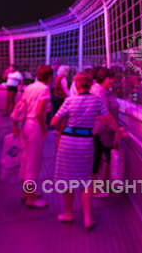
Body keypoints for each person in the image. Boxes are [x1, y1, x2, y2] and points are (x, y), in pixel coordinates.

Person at [50, 72, 124, 229]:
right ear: (90, 84)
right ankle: (88, 218)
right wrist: (118, 131)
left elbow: (54, 122)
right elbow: (108, 119)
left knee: (67, 179)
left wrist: (65, 126)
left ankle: (68, 213)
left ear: (76, 84)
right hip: (86, 142)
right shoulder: (97, 100)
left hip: (68, 142)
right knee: (86, 180)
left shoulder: (69, 101)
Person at [16, 64, 53, 208]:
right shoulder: (44, 89)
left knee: (26, 159)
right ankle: (31, 198)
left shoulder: (30, 87)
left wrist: (15, 124)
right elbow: (39, 113)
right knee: (33, 163)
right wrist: (44, 130)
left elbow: (21, 105)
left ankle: (26, 192)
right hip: (35, 127)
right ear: (49, 76)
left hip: (26, 125)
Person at [90, 68, 120, 198]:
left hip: (105, 130)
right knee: (97, 159)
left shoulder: (103, 90)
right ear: (103, 77)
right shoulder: (99, 91)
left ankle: (102, 185)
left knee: (105, 158)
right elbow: (105, 114)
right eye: (110, 78)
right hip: (100, 130)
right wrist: (117, 129)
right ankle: (95, 189)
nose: (112, 81)